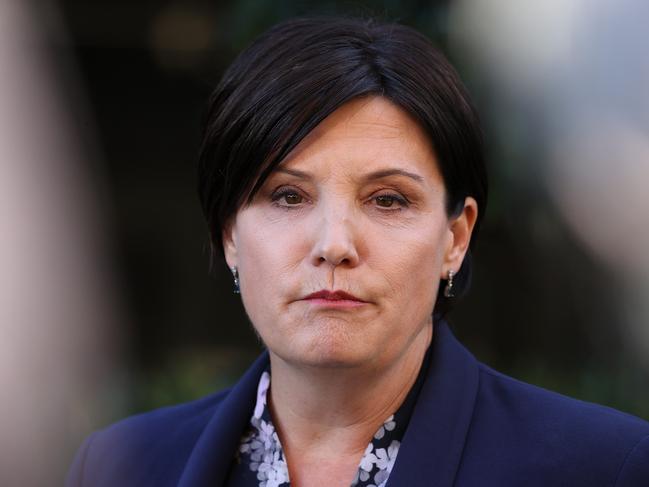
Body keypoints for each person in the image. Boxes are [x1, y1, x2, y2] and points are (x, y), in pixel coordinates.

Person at [66, 17, 649, 487]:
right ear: (228, 234)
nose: (335, 245)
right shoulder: (122, 466)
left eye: (388, 200)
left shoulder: (603, 466)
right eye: (288, 196)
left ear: (456, 238)